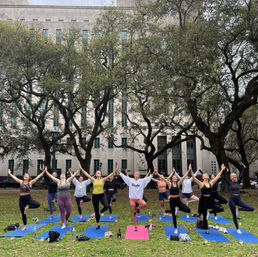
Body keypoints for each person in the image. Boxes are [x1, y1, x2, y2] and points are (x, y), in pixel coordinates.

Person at [190, 163, 225, 234]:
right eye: (204, 175)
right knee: (205, 216)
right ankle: (206, 230)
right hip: (203, 200)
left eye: (207, 174)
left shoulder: (211, 183)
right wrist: (190, 170)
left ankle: (210, 212)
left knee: (220, 208)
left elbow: (218, 176)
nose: (206, 175)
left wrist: (222, 170)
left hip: (210, 200)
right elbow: (194, 177)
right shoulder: (200, 183)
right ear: (203, 177)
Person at [79, 165, 118, 229]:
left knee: (106, 206)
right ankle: (98, 223)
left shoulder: (103, 180)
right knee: (96, 210)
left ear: (101, 174)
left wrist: (115, 171)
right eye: (97, 173)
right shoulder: (93, 180)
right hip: (95, 196)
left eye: (99, 173)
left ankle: (100, 212)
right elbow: (87, 174)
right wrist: (81, 169)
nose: (98, 174)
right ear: (95, 174)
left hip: (101, 195)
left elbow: (109, 175)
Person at [222, 162, 254, 233]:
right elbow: (224, 177)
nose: (234, 176)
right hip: (232, 200)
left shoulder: (238, 182)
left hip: (238, 200)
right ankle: (237, 229)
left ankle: (238, 209)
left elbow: (242, 175)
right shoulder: (229, 183)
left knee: (251, 208)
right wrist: (223, 170)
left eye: (235, 175)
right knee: (234, 216)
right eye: (233, 176)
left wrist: (244, 168)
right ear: (231, 178)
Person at [159, 167, 191, 234]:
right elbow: (164, 179)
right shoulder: (169, 184)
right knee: (174, 216)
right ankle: (175, 228)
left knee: (188, 210)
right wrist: (157, 173)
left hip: (178, 200)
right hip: (172, 201)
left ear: (176, 179)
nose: (175, 178)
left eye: (176, 178)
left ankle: (178, 208)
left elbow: (184, 176)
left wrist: (188, 170)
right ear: (172, 179)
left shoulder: (178, 184)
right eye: (173, 177)